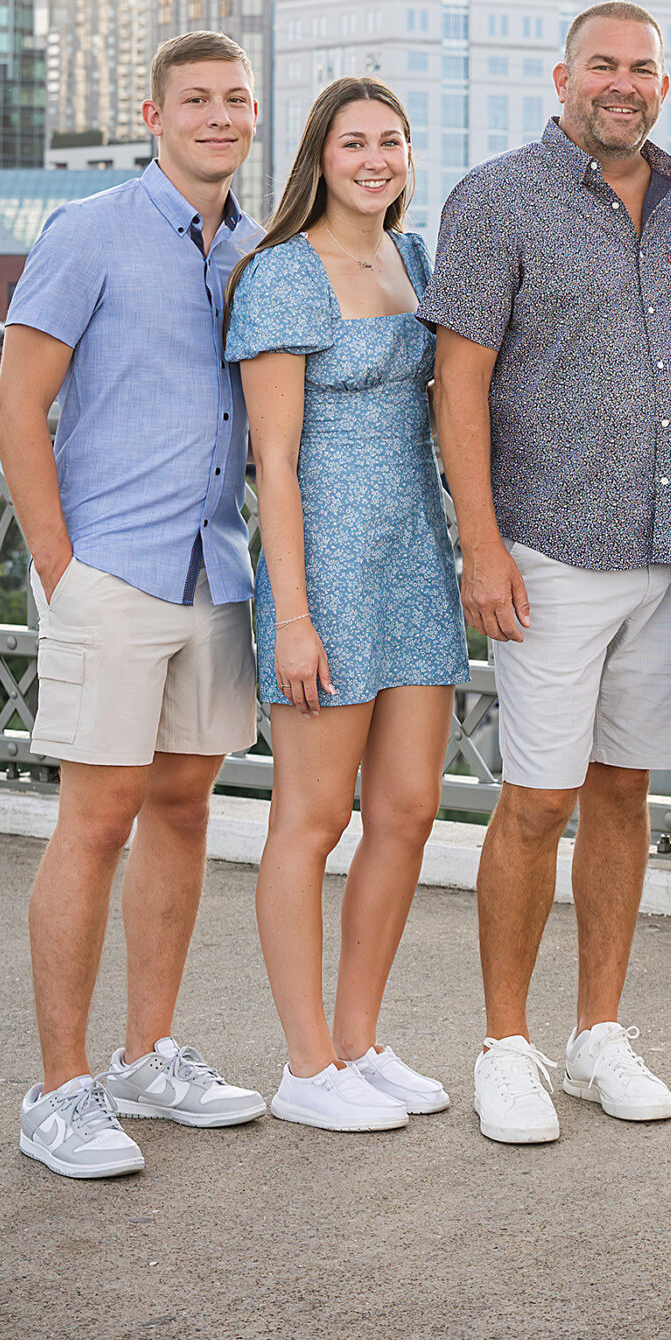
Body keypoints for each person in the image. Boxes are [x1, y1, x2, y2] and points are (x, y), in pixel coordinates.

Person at [422, 3, 671, 1147]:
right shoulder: (495, 198)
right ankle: (505, 1045)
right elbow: (458, 383)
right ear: (562, 78)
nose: (622, 83)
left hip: (665, 551)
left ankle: (598, 1034)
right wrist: (479, 544)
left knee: (626, 793)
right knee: (536, 802)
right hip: (545, 551)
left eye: (642, 68)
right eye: (603, 65)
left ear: (662, 86)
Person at [0, 33, 268, 1181]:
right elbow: (18, 407)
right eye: (195, 99)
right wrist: (63, 571)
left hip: (216, 571)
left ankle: (147, 1054)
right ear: (152, 115)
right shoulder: (90, 230)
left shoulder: (259, 249)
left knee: (184, 811)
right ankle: (58, 1090)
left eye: (235, 98)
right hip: (114, 571)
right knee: (96, 820)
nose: (218, 115)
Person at [226, 79, 468, 1137]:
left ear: (410, 155)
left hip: (415, 552)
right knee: (312, 818)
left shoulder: (415, 264)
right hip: (322, 563)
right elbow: (272, 464)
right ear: (318, 157)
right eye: (353, 141)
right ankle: (306, 1060)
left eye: (391, 141)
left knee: (409, 810)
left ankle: (361, 1041)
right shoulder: (282, 275)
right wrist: (292, 615)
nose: (374, 158)